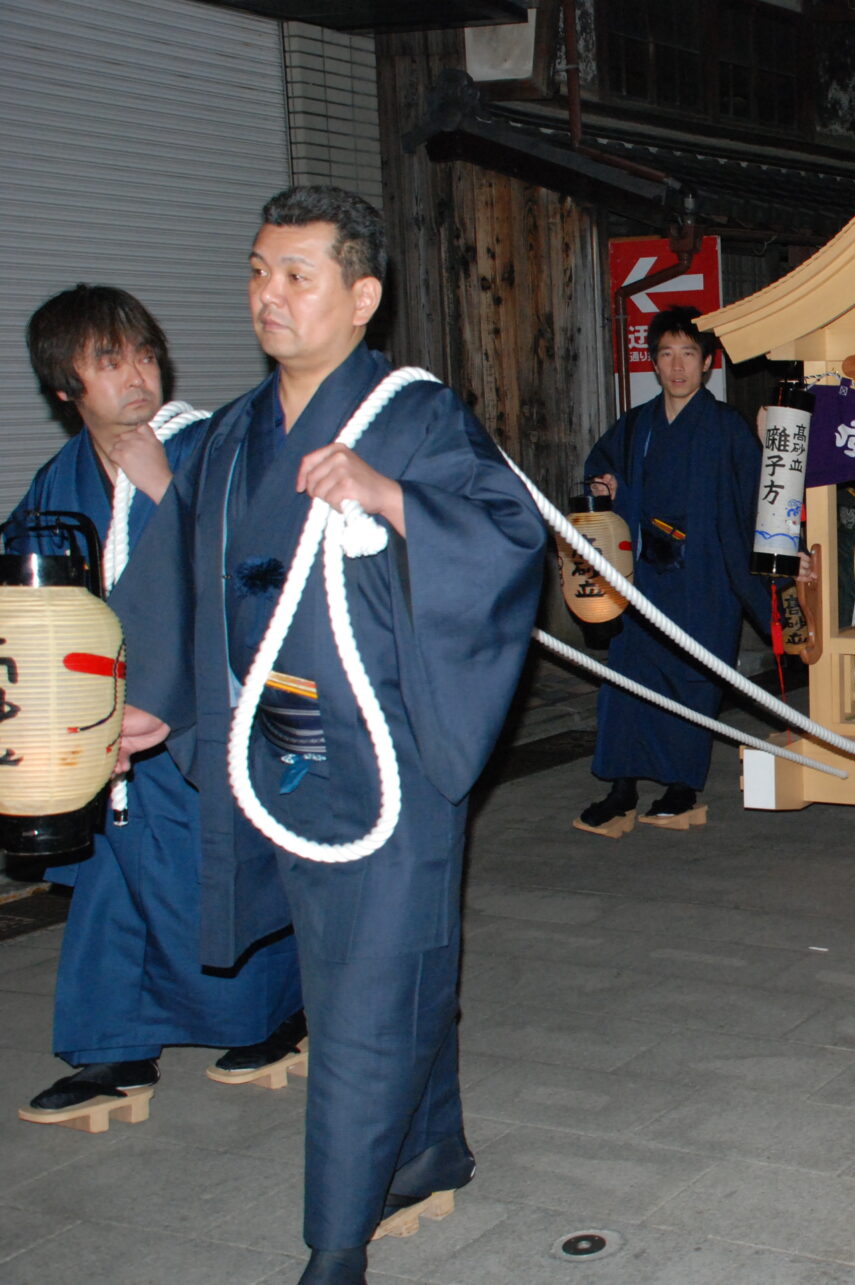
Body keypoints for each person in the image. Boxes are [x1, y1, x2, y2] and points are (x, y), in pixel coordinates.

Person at [112, 186, 545, 1284]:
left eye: (297, 275)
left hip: (384, 751)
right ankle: (428, 1152)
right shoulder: (226, 437)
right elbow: (174, 573)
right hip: (276, 744)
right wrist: (148, 696)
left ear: (362, 296)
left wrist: (394, 497)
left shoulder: (414, 416)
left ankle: (335, 1240)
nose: (270, 295)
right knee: (383, 971)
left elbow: (506, 535)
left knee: (362, 991)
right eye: (258, 271)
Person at [11, 286, 304, 1132]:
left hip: (199, 713)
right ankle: (115, 1050)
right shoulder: (59, 480)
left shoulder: (210, 443)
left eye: (142, 354)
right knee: (112, 882)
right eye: (109, 363)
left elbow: (261, 561)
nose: (137, 377)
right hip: (100, 724)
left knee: (223, 872)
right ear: (65, 387)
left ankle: (278, 1016)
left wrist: (167, 488)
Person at [573, 306, 765, 836]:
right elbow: (598, 474)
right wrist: (606, 490)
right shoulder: (637, 427)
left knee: (691, 679)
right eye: (666, 355)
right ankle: (621, 786)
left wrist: (784, 558)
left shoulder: (726, 428)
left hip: (704, 576)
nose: (677, 366)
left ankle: (681, 786)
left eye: (688, 354)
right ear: (653, 364)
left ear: (707, 363)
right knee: (626, 679)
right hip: (643, 579)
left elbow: (755, 504)